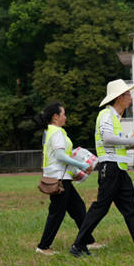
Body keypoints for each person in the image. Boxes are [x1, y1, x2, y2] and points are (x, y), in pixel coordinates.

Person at [70, 79, 134, 257]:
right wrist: (131, 141)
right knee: (101, 207)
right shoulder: (106, 115)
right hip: (111, 169)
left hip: (117, 169)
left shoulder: (113, 117)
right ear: (119, 97)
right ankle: (78, 245)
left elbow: (115, 144)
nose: (130, 97)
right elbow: (107, 138)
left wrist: (132, 144)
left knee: (130, 207)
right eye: (128, 94)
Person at [34, 102, 99, 255]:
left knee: (78, 208)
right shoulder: (56, 132)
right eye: (63, 114)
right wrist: (81, 165)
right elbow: (60, 156)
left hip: (61, 177)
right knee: (57, 213)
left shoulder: (51, 131)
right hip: (60, 179)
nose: (66, 117)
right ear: (55, 117)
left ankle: (88, 241)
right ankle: (43, 247)